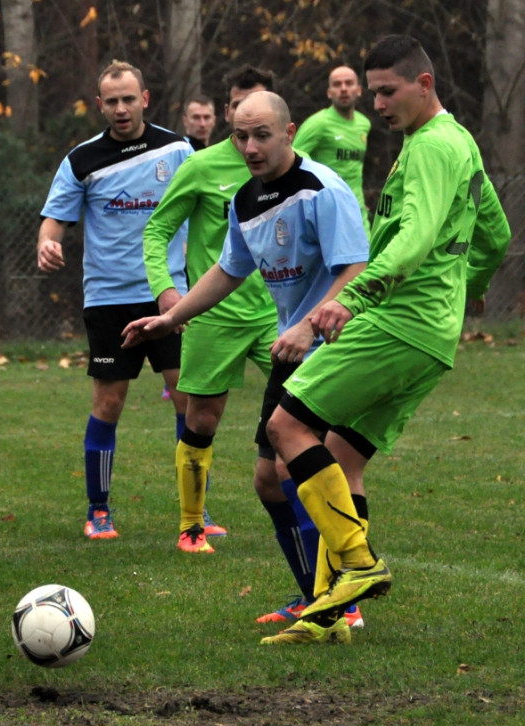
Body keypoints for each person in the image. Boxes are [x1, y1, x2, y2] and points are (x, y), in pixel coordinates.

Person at [261, 35, 510, 645]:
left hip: (399, 322)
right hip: (432, 332)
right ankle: (331, 614)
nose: (375, 103)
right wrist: (463, 291)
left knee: (287, 428)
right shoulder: (460, 143)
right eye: (372, 91)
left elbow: (415, 239)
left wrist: (352, 295)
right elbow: (496, 236)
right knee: (343, 461)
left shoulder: (430, 147)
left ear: (424, 85)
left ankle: (361, 567)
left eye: (387, 91)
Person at [124, 91, 369, 631]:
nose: (251, 146)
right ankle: (316, 596)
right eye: (241, 135)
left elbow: (356, 268)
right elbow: (228, 270)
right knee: (268, 481)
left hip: (335, 346)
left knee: (297, 467)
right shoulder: (244, 199)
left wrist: (310, 326)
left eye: (262, 135)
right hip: (293, 345)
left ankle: (343, 600)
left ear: (290, 131)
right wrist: (171, 318)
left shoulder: (322, 190)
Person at [37, 60, 194, 540]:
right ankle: (98, 510)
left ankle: (196, 514)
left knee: (190, 401)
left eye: (129, 99)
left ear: (145, 98)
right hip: (108, 298)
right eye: (112, 101)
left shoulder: (179, 150)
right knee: (109, 402)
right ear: (100, 103)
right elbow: (54, 218)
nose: (122, 108)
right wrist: (48, 241)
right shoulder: (82, 159)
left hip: (170, 297)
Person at [142, 64, 278, 554]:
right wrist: (166, 291)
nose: (250, 126)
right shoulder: (201, 168)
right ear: (227, 114)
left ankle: (309, 514)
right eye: (241, 110)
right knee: (201, 421)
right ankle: (192, 526)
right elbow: (157, 232)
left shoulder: (291, 170)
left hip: (277, 317)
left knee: (309, 409)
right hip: (213, 317)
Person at [293, 65, 373, 232]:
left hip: (357, 210)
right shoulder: (318, 124)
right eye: (337, 84)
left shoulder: (364, 124)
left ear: (358, 90)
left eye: (349, 83)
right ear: (329, 92)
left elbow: (354, 169)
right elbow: (291, 159)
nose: (343, 89)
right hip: (327, 211)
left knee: (367, 256)